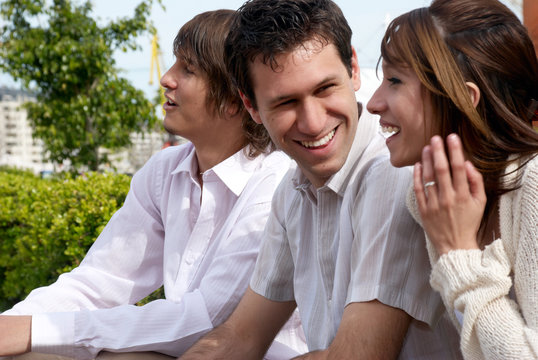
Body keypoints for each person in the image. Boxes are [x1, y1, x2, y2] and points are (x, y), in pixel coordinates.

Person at [0, 9, 306, 360]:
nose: (166, 78)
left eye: (188, 69)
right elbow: (99, 283)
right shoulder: (166, 170)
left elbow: (207, 320)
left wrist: (36, 331)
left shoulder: (278, 182)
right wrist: (13, 326)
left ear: (236, 100)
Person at [179, 0, 462, 359]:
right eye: (285, 103)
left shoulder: (394, 172)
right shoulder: (291, 193)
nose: (312, 122)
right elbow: (240, 336)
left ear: (354, 69)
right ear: (251, 106)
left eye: (325, 88)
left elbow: (357, 357)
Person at [366, 0, 538, 358]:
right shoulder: (434, 195)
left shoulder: (532, 185)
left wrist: (459, 252)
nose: (373, 102)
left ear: (463, 98)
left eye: (395, 81)